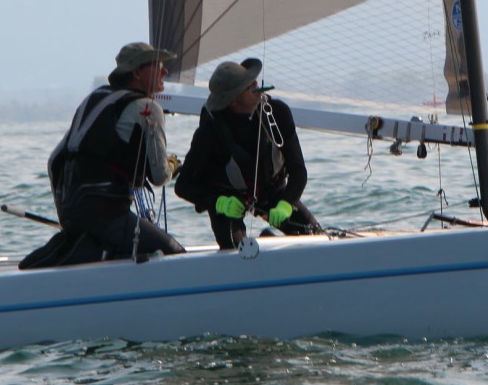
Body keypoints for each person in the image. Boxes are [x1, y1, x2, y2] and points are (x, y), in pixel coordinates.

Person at [20, 42, 186, 268]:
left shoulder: (95, 99)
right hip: (107, 217)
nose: (165, 71)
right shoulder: (147, 107)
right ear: (137, 73)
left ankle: (69, 251)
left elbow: (55, 160)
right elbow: (159, 176)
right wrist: (173, 165)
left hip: (71, 215)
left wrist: (67, 209)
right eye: (157, 66)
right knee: (174, 254)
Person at [175, 58, 324, 249]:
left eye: (253, 80)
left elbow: (298, 171)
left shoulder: (277, 113)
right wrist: (220, 202)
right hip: (228, 199)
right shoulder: (209, 131)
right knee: (234, 248)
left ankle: (268, 239)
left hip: (272, 191)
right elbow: (183, 185)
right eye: (248, 86)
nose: (255, 84)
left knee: (314, 237)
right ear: (232, 101)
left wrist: (286, 204)